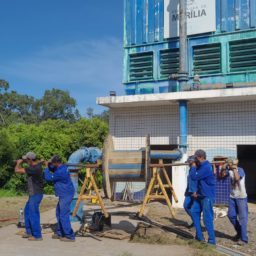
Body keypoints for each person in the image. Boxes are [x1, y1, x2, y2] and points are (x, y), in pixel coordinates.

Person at [44, 155, 75, 242]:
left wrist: (46, 167)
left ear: (56, 163)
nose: (52, 164)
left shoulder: (60, 172)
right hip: (65, 193)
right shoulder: (62, 166)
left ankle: (69, 236)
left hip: (66, 194)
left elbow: (48, 178)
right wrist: (49, 164)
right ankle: (60, 232)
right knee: (58, 212)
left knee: (63, 215)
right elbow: (53, 168)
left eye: (52, 163)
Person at [15, 152, 44, 241]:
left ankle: (37, 235)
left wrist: (18, 163)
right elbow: (37, 163)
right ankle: (29, 232)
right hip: (33, 194)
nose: (26, 161)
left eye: (27, 160)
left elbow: (17, 170)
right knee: (27, 211)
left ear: (30, 160)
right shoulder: (35, 166)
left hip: (35, 194)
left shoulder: (34, 169)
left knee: (33, 214)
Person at [190, 149, 216, 245]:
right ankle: (200, 237)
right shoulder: (201, 166)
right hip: (200, 195)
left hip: (207, 196)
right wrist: (196, 191)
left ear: (200, 157)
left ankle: (212, 241)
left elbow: (194, 177)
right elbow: (200, 181)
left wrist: (193, 167)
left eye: (195, 158)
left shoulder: (206, 167)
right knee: (194, 212)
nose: (195, 160)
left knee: (207, 218)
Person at [221, 158, 248, 245]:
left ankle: (244, 239)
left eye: (230, 163)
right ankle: (240, 232)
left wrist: (234, 169)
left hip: (241, 197)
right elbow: (221, 176)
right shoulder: (229, 170)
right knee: (231, 215)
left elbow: (237, 179)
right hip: (232, 196)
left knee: (243, 218)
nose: (229, 165)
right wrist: (223, 168)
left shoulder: (240, 170)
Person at [183, 155, 198, 228]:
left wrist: (195, 191)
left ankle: (196, 222)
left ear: (192, 162)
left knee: (193, 208)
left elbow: (196, 182)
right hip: (189, 191)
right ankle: (195, 221)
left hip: (195, 192)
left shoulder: (197, 169)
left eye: (189, 162)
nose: (188, 164)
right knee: (186, 206)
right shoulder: (191, 169)